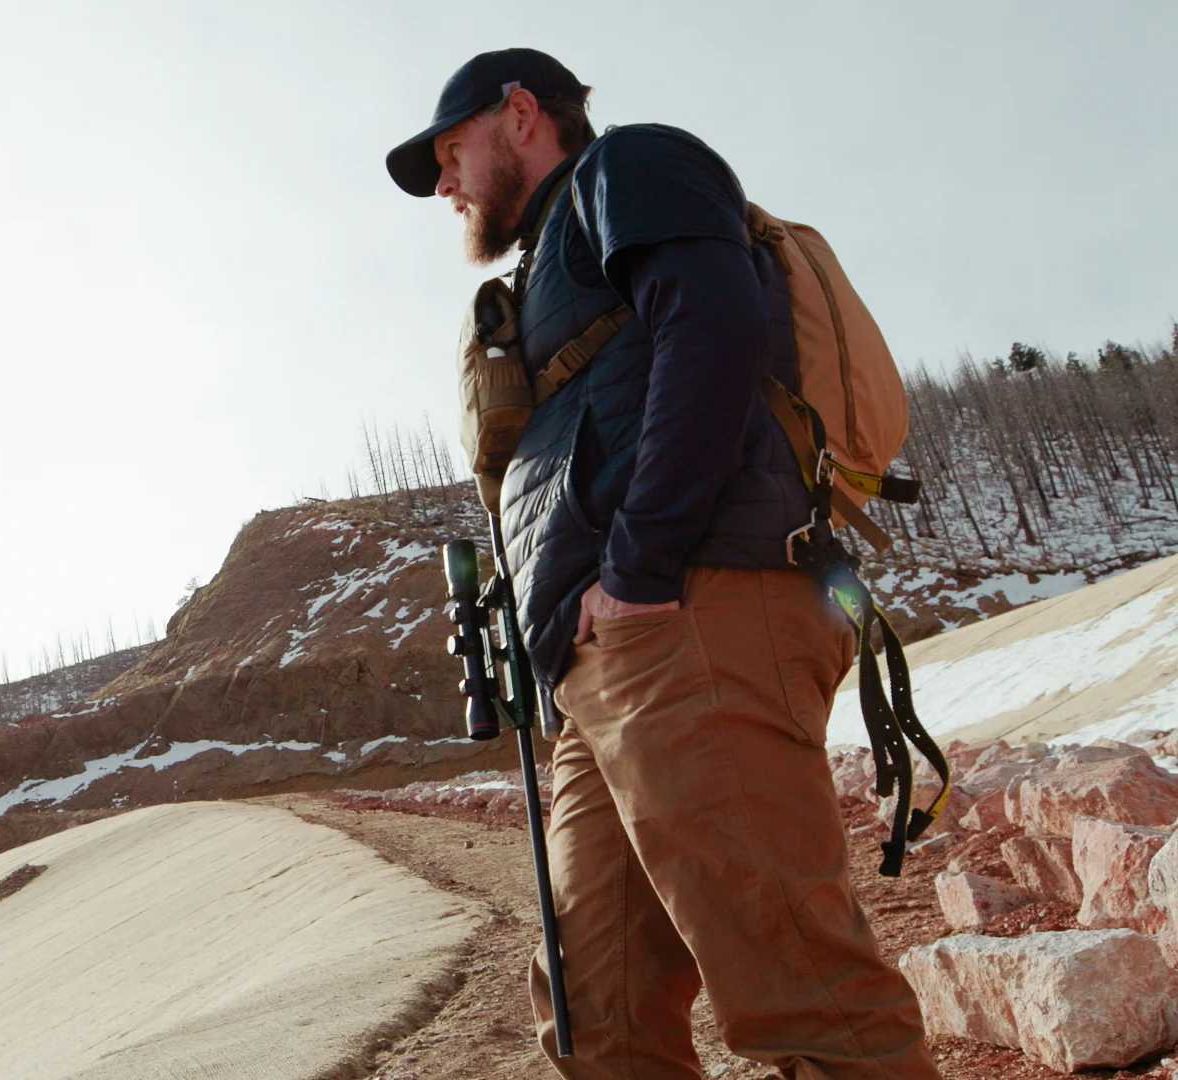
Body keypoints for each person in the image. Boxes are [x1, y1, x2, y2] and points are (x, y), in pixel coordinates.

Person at [386, 49, 942, 1079]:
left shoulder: (631, 168)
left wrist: (638, 569)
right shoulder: (542, 268)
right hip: (605, 674)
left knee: (797, 987)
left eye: (448, 154)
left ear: (520, 114)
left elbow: (715, 326)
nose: (447, 187)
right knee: (598, 1016)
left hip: (690, 612)